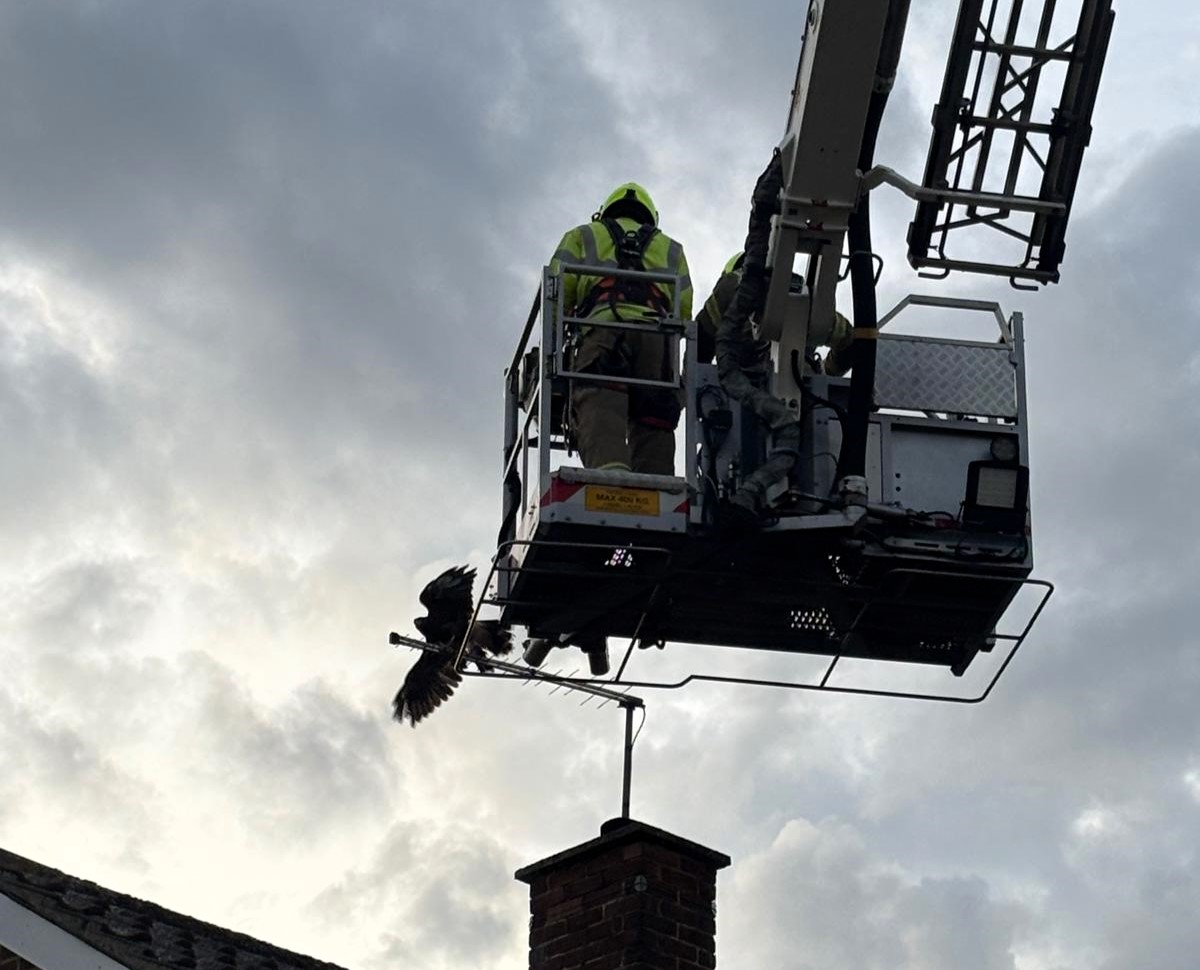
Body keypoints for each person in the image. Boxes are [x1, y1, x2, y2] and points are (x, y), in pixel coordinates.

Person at [550, 183, 693, 476]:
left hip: (604, 333)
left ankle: (609, 482)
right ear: (650, 216)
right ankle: (656, 491)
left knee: (599, 403)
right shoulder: (672, 249)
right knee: (655, 418)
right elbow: (684, 310)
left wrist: (553, 353)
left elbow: (556, 293)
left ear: (604, 213)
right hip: (656, 339)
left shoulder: (583, 235)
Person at [695, 250, 854, 375]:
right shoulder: (804, 298)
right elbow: (849, 340)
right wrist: (826, 373)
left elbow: (701, 340)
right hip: (804, 401)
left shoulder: (730, 287)